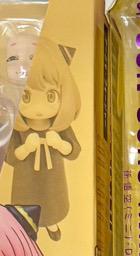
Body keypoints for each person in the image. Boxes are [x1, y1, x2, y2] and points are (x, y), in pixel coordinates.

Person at [8, 37, 80, 240]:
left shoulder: (59, 126)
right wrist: (25, 149)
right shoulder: (18, 128)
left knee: (52, 202)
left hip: (52, 178)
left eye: (50, 96)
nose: (38, 108)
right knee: (26, 202)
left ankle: (51, 223)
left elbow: (74, 151)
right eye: (26, 96)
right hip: (25, 178)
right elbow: (10, 157)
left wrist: (61, 144)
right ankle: (28, 228)